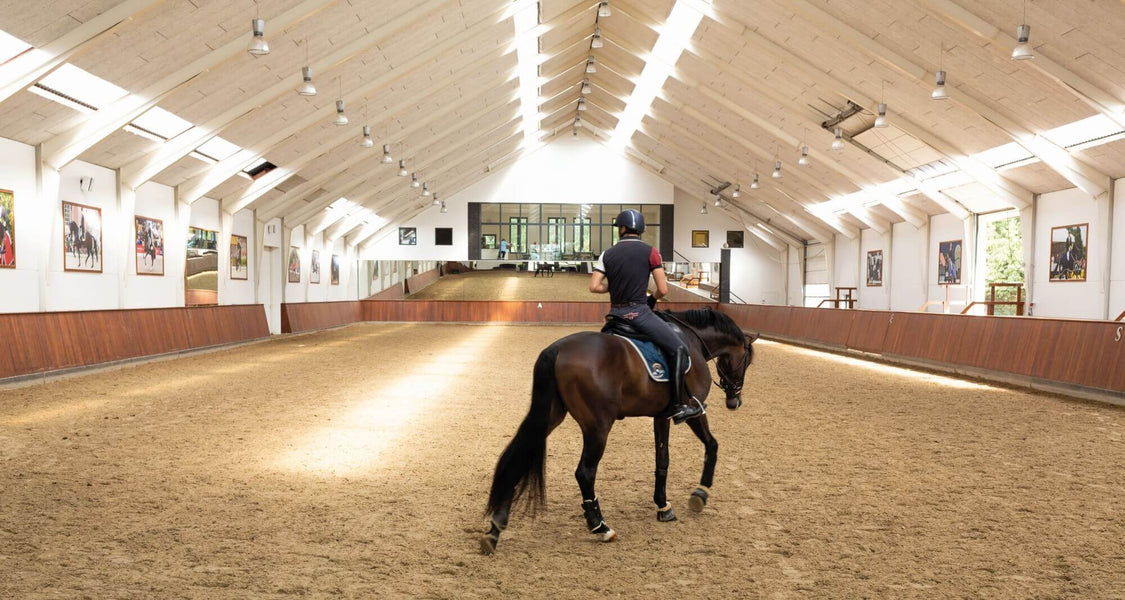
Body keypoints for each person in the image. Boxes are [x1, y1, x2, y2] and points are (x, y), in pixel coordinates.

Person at [588, 209, 704, 424]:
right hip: (639, 313)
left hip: (615, 316)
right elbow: (663, 289)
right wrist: (650, 301)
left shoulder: (607, 254)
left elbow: (594, 286)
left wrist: (611, 287)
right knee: (678, 348)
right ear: (640, 230)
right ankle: (679, 405)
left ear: (621, 229)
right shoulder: (651, 252)